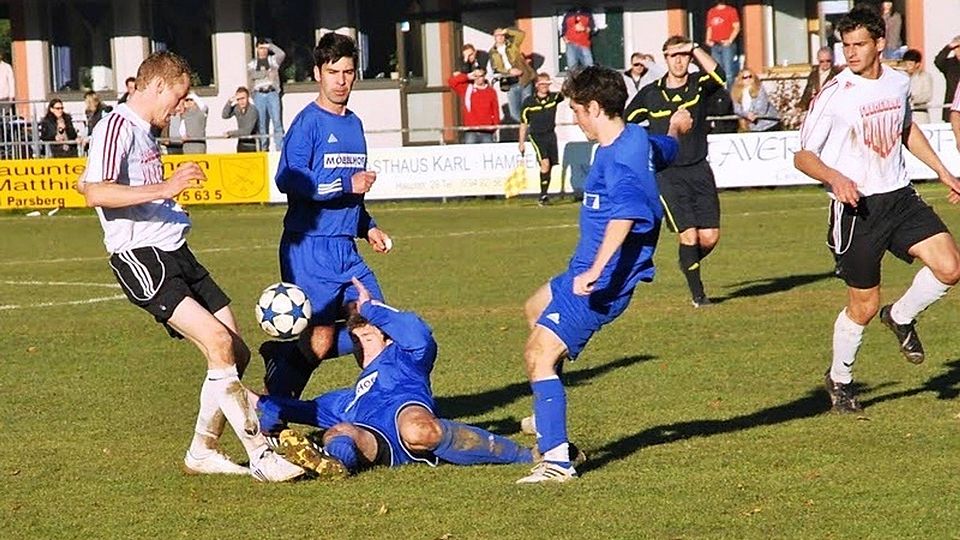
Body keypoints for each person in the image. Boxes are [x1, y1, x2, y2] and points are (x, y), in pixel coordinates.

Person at [74, 51, 304, 482]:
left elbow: (92, 182)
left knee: (235, 351)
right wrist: (169, 185)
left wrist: (161, 189)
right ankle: (261, 453)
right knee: (218, 344)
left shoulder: (144, 131)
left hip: (176, 251)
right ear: (157, 86)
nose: (180, 107)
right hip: (142, 258)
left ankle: (202, 449)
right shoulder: (117, 125)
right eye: (177, 98)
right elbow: (96, 194)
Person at [514, 65, 691, 484]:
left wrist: (594, 271)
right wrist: (678, 130)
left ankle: (557, 461)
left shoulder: (621, 161)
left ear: (594, 108)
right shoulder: (633, 139)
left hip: (599, 282)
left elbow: (627, 214)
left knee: (538, 355)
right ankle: (549, 417)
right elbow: (664, 148)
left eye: (577, 111)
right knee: (534, 307)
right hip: (582, 270)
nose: (575, 119)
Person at [794, 5, 960, 413]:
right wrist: (836, 178)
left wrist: (943, 171)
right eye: (845, 45)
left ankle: (901, 316)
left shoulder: (897, 82)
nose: (850, 53)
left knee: (950, 267)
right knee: (863, 306)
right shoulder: (834, 94)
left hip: (899, 197)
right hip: (856, 209)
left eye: (859, 44)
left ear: (880, 43)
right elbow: (802, 156)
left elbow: (905, 129)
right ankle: (840, 380)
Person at [250, 277, 541, 477]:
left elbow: (419, 332)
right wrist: (267, 406)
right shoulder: (346, 398)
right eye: (355, 339)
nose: (359, 344)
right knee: (340, 432)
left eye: (367, 336)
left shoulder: (406, 358)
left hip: (407, 415)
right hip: (375, 440)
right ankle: (333, 464)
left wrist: (369, 310)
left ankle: (525, 455)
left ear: (388, 339)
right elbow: (304, 409)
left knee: (417, 430)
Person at [263, 32, 393, 403]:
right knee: (319, 340)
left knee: (375, 324)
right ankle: (273, 410)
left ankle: (381, 413)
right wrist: (342, 182)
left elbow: (354, 192)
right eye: (333, 71)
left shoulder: (354, 124)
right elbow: (288, 178)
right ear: (318, 72)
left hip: (345, 249)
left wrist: (368, 227)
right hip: (309, 248)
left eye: (348, 72)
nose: (341, 80)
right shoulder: (308, 123)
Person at [625, 36, 726, 307]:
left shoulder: (698, 85)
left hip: (699, 169)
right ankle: (699, 296)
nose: (679, 60)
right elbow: (626, 122)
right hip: (667, 173)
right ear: (665, 58)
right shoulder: (650, 93)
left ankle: (688, 261)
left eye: (684, 55)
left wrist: (694, 48)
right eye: (673, 55)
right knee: (689, 235)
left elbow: (720, 75)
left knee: (709, 237)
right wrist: (644, 146)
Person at [518, 72, 563, 205]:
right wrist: (521, 142)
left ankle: (544, 194)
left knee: (549, 166)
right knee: (545, 163)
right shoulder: (529, 102)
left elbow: (567, 91)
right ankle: (543, 195)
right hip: (537, 135)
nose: (544, 87)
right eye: (542, 84)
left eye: (546, 84)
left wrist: (554, 82)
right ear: (537, 86)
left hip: (550, 135)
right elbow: (523, 123)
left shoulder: (553, 98)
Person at [489, 27, 535, 123]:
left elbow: (521, 35)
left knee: (527, 109)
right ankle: (525, 129)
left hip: (524, 80)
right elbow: (496, 67)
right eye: (498, 35)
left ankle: (530, 131)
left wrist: (508, 31)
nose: (500, 37)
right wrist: (509, 71)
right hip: (510, 84)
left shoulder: (512, 45)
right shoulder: (492, 52)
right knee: (514, 113)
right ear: (494, 37)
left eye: (502, 35)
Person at [248, 39, 286, 151]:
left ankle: (280, 148)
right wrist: (266, 73)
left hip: (272, 93)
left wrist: (270, 46)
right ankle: (263, 148)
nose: (263, 51)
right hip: (259, 94)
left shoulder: (272, 60)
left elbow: (282, 54)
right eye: (260, 48)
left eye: (264, 48)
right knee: (261, 124)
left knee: (277, 121)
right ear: (256, 49)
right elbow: (252, 75)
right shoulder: (252, 63)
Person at [448, 67, 499, 144]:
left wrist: (495, 126)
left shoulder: (491, 91)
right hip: (471, 130)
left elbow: (495, 110)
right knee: (470, 153)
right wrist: (467, 76)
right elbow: (451, 82)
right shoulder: (467, 89)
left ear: (484, 76)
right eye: (476, 76)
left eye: (480, 76)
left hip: (487, 131)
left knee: (488, 154)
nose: (478, 78)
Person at [705, 0, 740, 88]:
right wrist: (708, 39)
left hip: (727, 45)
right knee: (717, 73)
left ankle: (730, 95)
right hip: (715, 45)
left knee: (729, 73)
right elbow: (710, 27)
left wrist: (730, 40)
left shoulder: (731, 10)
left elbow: (736, 27)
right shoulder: (711, 12)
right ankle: (719, 95)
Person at [222, 86, 260, 152]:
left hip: (252, 144)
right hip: (241, 143)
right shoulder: (237, 108)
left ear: (248, 98)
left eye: (243, 98)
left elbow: (247, 131)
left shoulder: (252, 110)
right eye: (238, 99)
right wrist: (229, 102)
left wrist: (230, 133)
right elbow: (225, 115)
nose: (241, 101)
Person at [902, 49, 933, 124]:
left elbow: (927, 95)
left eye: (910, 64)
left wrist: (913, 98)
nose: (907, 67)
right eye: (905, 64)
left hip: (920, 114)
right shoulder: (902, 77)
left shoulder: (925, 77)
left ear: (917, 64)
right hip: (905, 114)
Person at [934, 36, 960, 122]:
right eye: (956, 48)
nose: (958, 51)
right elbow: (938, 61)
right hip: (952, 107)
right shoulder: (950, 64)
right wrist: (948, 47)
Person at [561, 7, 595, 71]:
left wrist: (584, 29)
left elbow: (593, 28)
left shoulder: (587, 14)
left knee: (589, 66)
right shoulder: (568, 14)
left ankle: (590, 80)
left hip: (584, 44)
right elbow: (563, 28)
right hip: (570, 44)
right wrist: (564, 37)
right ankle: (573, 79)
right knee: (572, 66)